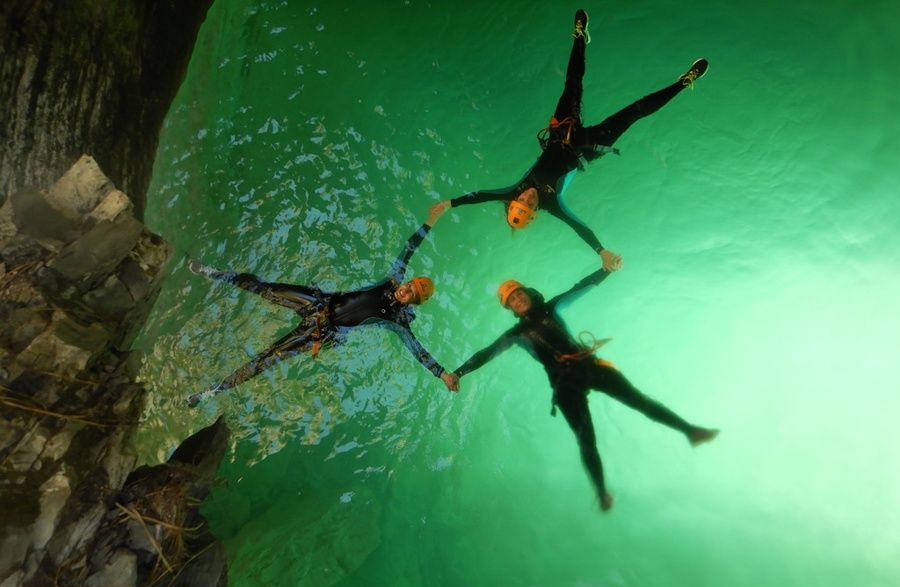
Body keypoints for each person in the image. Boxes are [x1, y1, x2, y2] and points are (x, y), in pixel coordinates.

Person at [428, 9, 709, 272]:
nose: (527, 196)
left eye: (522, 200)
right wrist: (601, 252)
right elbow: (578, 228)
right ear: (536, 211)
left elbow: (481, 196)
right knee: (634, 112)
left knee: (573, 84)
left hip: (561, 132)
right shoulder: (553, 206)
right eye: (529, 203)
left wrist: (450, 203)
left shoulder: (514, 190)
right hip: (587, 147)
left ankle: (579, 37)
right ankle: (684, 82)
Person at [447, 269, 718, 510]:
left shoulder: (550, 308)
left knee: (641, 402)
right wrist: (458, 373)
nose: (519, 300)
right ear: (511, 309)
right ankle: (601, 492)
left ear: (527, 294)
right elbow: (487, 353)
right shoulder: (515, 335)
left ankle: (691, 431)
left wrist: (606, 270)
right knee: (586, 439)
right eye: (513, 301)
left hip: (590, 366)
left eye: (519, 295)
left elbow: (580, 287)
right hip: (565, 385)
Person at [186, 218, 458, 407]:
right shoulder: (392, 281)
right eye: (409, 284)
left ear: (415, 302)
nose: (405, 290)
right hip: (318, 303)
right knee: (266, 289)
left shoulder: (398, 321)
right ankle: (213, 273)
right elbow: (408, 249)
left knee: (268, 358)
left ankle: (210, 392)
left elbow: (417, 350)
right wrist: (429, 224)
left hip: (321, 331)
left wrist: (442, 373)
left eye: (411, 293)